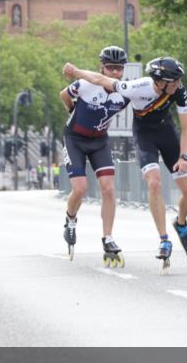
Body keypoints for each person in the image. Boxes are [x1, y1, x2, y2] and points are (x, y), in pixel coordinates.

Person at [66, 56, 187, 269]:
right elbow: (101, 80)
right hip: (144, 136)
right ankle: (164, 240)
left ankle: (180, 222)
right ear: (160, 82)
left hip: (167, 133)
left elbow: (186, 127)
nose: (178, 84)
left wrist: (183, 156)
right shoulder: (137, 87)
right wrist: (76, 72)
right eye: (174, 81)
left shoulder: (178, 91)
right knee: (154, 183)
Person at [59, 46, 141, 266]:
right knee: (80, 189)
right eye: (110, 67)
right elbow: (64, 95)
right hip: (75, 139)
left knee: (108, 188)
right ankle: (71, 219)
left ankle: (108, 238)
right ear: (102, 67)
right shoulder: (86, 84)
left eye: (119, 68)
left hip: (99, 141)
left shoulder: (125, 92)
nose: (115, 72)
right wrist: (71, 109)